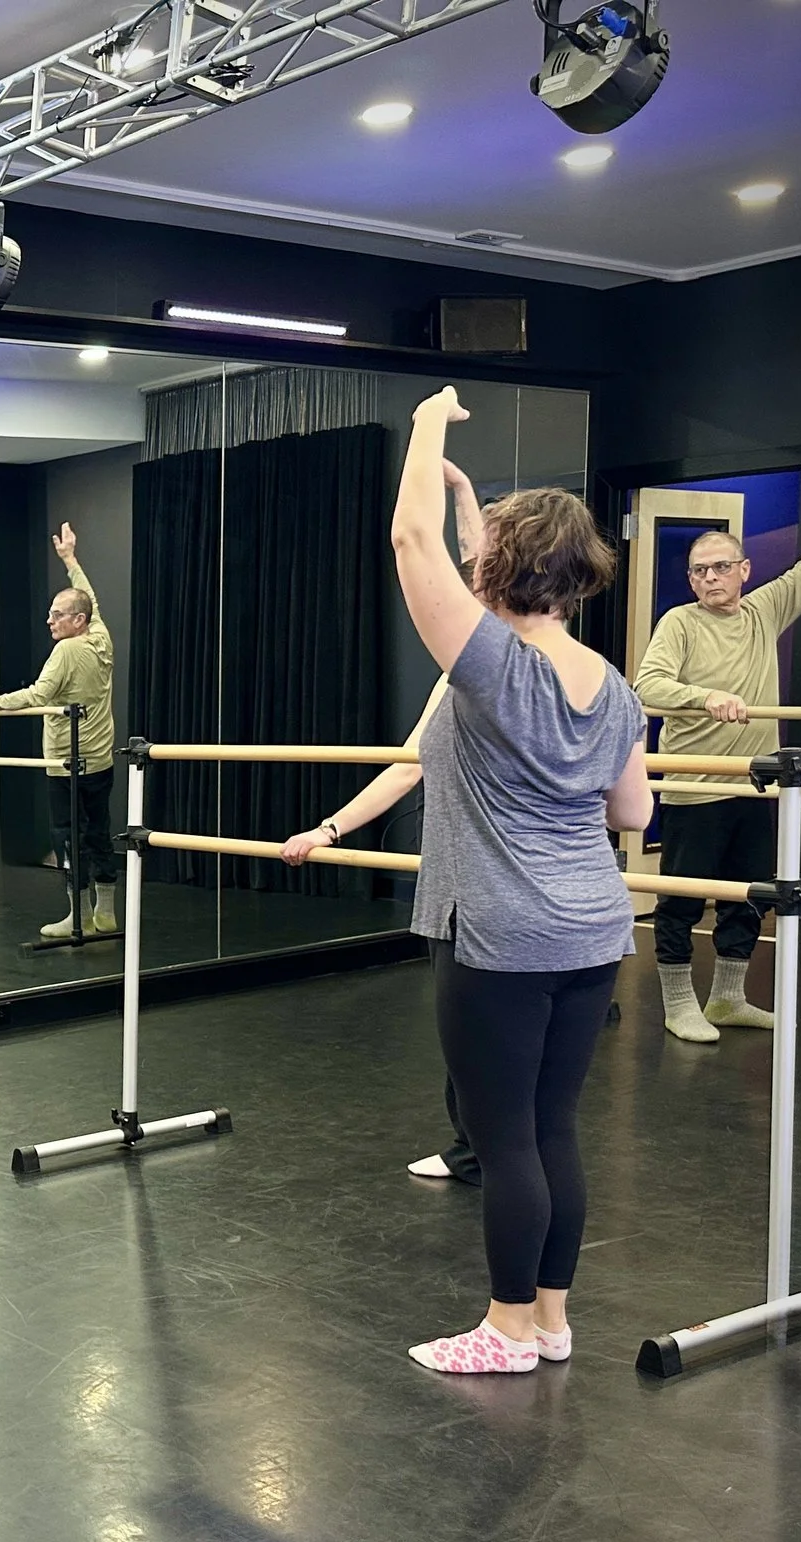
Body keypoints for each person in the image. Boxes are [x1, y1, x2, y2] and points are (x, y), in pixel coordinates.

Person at [388, 388, 652, 1376]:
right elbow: (633, 816)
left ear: (502, 566)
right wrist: (474, 504)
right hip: (591, 929)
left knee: (502, 1141)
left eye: (485, 547)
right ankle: (549, 1321)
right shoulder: (609, 683)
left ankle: (503, 1329)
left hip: (499, 934)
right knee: (549, 1132)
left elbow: (411, 544)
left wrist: (425, 423)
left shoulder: (491, 667)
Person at [634, 415, 801, 1042]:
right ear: (691, 580)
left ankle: (726, 999)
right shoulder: (679, 624)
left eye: (721, 567)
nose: (711, 578)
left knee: (750, 897)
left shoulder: (765, 609)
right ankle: (676, 1002)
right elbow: (647, 687)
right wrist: (706, 697)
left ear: (744, 569)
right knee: (682, 899)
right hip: (696, 787)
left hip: (755, 785)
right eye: (700, 571)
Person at [281, 463, 491, 1186]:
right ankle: (493, 1154)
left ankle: (477, 1152)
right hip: (551, 901)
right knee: (515, 1052)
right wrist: (464, 495)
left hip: (475, 890)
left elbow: (408, 768)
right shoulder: (568, 664)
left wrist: (330, 828)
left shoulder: (475, 665)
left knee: (472, 1035)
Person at [0, 522, 116, 939]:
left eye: (57, 615)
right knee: (98, 834)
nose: (49, 620)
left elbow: (38, 695)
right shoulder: (100, 637)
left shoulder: (67, 649)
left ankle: (78, 918)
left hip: (66, 763)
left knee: (68, 839)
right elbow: (90, 599)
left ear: (77, 620)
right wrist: (70, 559)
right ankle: (104, 914)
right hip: (100, 761)